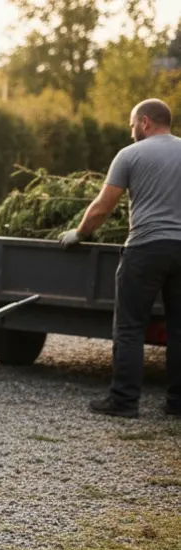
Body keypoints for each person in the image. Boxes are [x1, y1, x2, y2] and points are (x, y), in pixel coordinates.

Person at [59, 99, 181, 419]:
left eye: (131, 126)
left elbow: (103, 206)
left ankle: (124, 401)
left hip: (145, 249)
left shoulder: (130, 155)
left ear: (144, 122)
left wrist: (80, 233)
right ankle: (178, 404)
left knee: (130, 328)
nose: (130, 133)